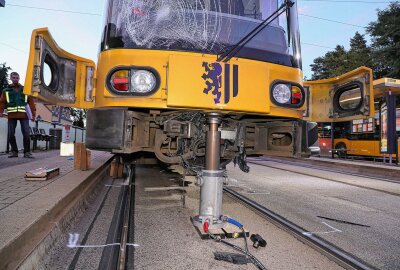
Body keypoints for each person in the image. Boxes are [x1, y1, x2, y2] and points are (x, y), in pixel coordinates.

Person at [0, 72, 36, 158]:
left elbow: (31, 103)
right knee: (11, 134)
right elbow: (2, 102)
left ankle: (27, 152)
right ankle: (14, 152)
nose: (15, 79)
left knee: (26, 134)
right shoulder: (6, 91)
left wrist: (33, 115)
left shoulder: (25, 90)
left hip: (24, 115)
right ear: (11, 78)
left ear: (19, 78)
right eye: (14, 77)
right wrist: (0, 111)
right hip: (12, 115)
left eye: (17, 77)